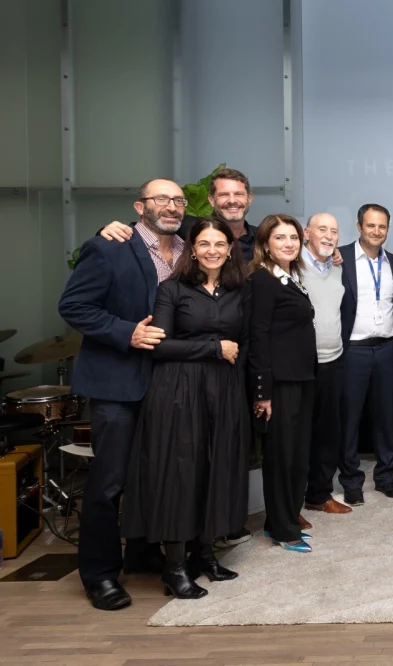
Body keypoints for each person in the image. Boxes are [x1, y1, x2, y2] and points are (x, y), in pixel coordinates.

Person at [59, 178, 184, 610]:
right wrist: (126, 332)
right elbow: (73, 306)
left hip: (168, 385)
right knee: (108, 483)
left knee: (153, 478)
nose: (171, 205)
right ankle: (99, 575)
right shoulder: (111, 245)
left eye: (178, 199)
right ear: (140, 206)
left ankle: (144, 553)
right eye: (161, 198)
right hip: (117, 382)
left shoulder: (187, 251)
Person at [121, 218, 249, 599]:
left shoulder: (238, 292)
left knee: (217, 468)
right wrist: (214, 348)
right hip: (179, 392)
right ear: (192, 249)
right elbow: (159, 345)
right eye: (204, 243)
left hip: (224, 391)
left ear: (229, 249)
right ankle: (174, 568)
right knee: (182, 474)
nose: (212, 250)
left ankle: (206, 556)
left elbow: (247, 342)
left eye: (219, 243)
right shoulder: (172, 290)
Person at [246, 214, 317, 553]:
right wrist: (263, 392)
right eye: (280, 238)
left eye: (293, 237)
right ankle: (282, 529)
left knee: (298, 457)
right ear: (265, 245)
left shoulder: (290, 277)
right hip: (280, 384)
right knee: (281, 457)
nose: (289, 243)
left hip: (303, 378)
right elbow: (257, 335)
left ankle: (286, 519)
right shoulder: (262, 280)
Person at [337, 204, 393, 504]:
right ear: (359, 226)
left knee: (385, 416)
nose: (376, 232)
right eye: (371, 226)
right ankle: (351, 481)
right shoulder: (340, 259)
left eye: (382, 227)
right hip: (354, 350)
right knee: (350, 419)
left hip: (387, 348)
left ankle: (386, 476)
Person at [300, 213, 352, 515]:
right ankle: (290, 505)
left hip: (333, 360)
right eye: (322, 229)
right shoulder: (292, 265)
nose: (329, 235)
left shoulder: (336, 267)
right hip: (302, 364)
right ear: (307, 232)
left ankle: (319, 495)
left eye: (334, 230)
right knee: (297, 437)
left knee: (327, 434)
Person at [98, 167, 259, 264]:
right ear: (211, 200)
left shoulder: (263, 237)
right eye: (224, 195)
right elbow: (150, 225)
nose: (232, 201)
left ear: (249, 199)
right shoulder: (189, 227)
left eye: (238, 194)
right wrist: (107, 230)